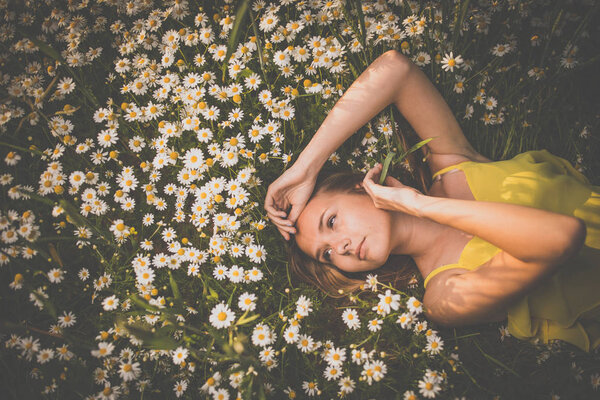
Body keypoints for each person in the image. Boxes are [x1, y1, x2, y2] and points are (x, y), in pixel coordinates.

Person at [264, 50, 600, 352]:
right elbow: (561, 237)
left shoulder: (452, 163)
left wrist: (306, 168)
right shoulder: (443, 297)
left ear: (359, 186)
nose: (343, 248)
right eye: (328, 254)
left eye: (332, 222)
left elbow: (395, 69)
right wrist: (416, 205)